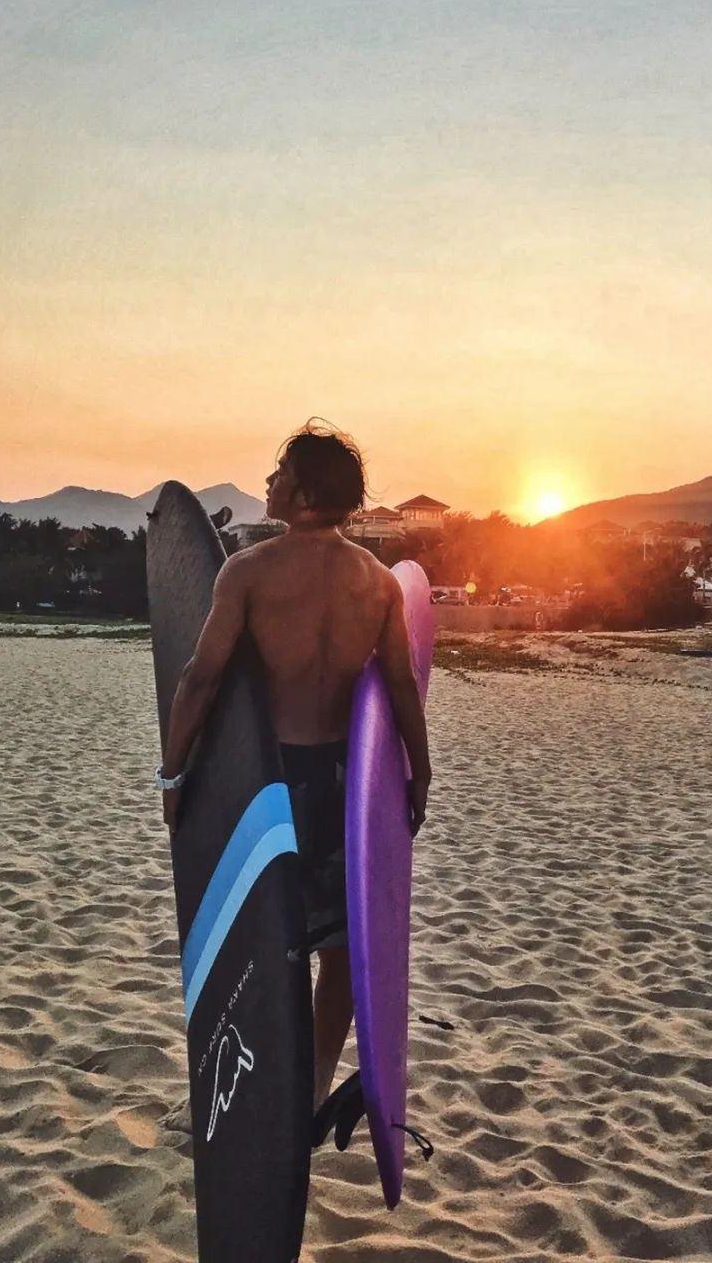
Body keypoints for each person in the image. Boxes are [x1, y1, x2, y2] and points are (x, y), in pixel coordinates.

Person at [155, 420, 432, 1111]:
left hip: (266, 786)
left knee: (260, 940)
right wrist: (417, 771)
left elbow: (200, 678)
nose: (269, 482)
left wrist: (174, 773)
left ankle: (249, 1090)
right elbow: (402, 686)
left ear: (304, 494)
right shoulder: (377, 584)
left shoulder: (249, 571)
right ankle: (310, 1088)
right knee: (340, 950)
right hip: (342, 786)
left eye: (280, 473)